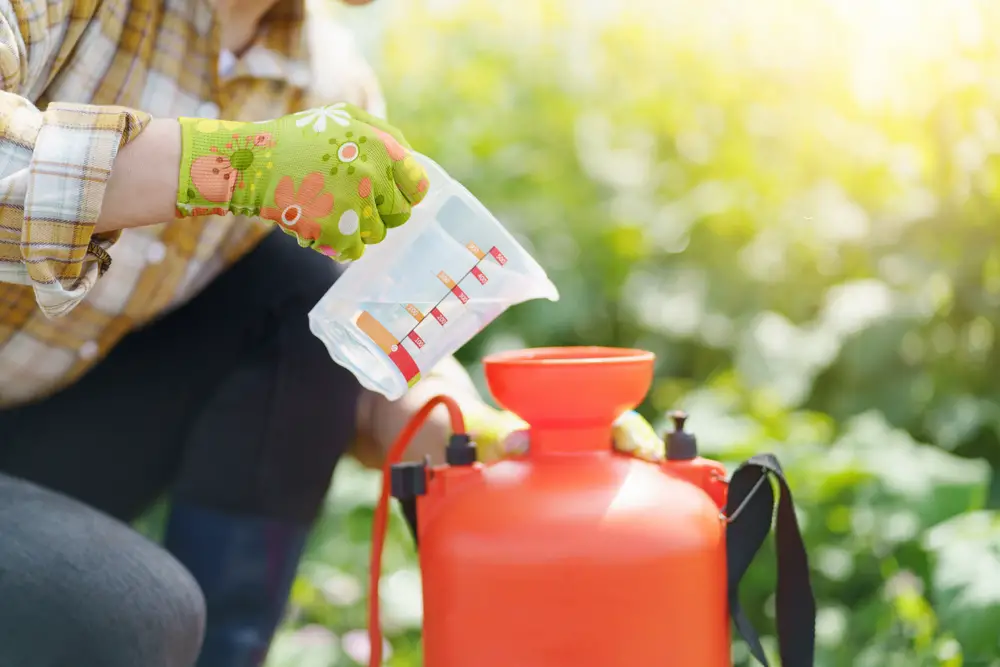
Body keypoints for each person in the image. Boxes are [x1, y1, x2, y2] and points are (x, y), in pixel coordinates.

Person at [0, 0, 661, 664]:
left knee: (301, 286)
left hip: (51, 428)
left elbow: (362, 350)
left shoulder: (331, 88)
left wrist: (492, 441)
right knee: (127, 613)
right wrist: (226, 164)